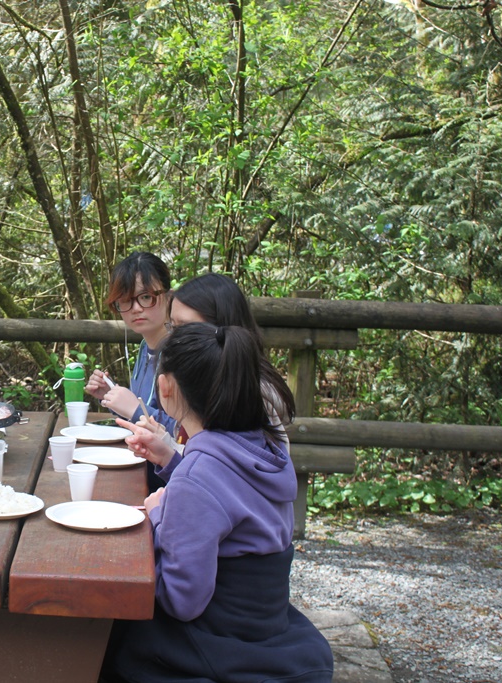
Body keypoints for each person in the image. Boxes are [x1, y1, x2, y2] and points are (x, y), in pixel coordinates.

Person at [103, 323, 333, 683]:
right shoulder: (264, 447)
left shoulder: (199, 476)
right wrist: (172, 468)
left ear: (164, 387)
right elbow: (227, 496)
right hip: (267, 626)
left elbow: (181, 601)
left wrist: (160, 516)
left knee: (107, 635)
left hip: (215, 640)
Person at [127, 273, 295, 465]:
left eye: (185, 328)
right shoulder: (206, 378)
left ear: (221, 330)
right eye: (172, 327)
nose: (174, 339)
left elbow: (223, 471)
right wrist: (166, 442)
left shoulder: (245, 391)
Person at [84, 251, 175, 490]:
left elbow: (186, 432)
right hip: (142, 470)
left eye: (145, 297)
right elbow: (142, 411)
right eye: (125, 300)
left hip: (169, 481)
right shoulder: (146, 346)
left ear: (168, 296)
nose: (135, 308)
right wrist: (112, 396)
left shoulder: (182, 353)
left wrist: (134, 409)